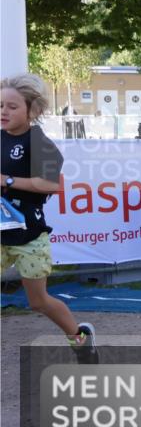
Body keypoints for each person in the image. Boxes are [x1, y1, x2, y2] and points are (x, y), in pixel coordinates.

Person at [1, 74, 98, 364]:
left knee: (38, 302)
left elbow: (51, 185)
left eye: (12, 106)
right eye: (0, 105)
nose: (4, 111)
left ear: (34, 111)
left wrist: (6, 180)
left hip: (30, 236)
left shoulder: (39, 143)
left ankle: (81, 340)